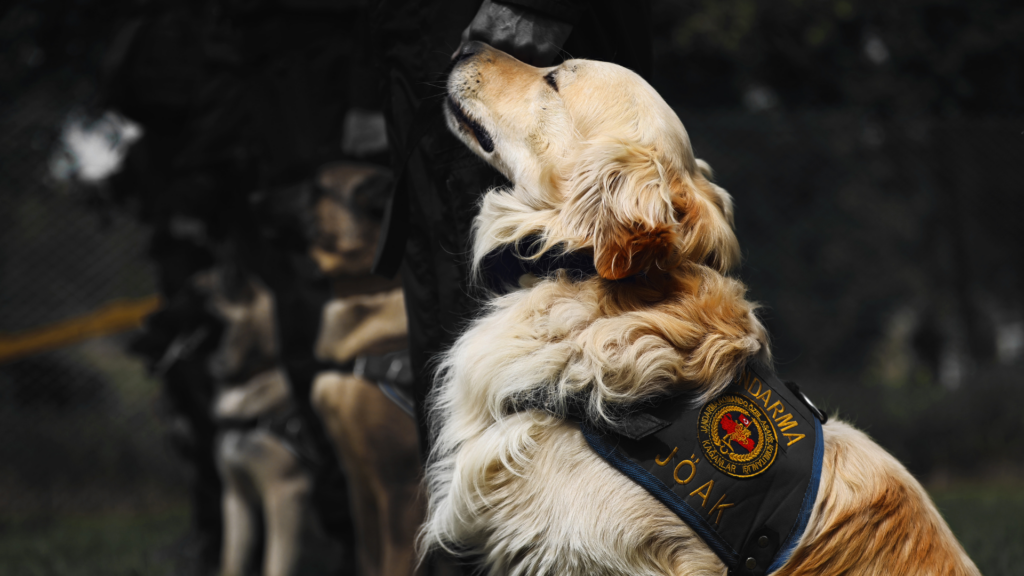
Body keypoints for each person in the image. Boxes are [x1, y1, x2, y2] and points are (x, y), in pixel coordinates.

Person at [371, 0, 654, 457]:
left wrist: (532, 5)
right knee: (449, 329)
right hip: (418, 46)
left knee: (563, 391)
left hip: (524, 28)